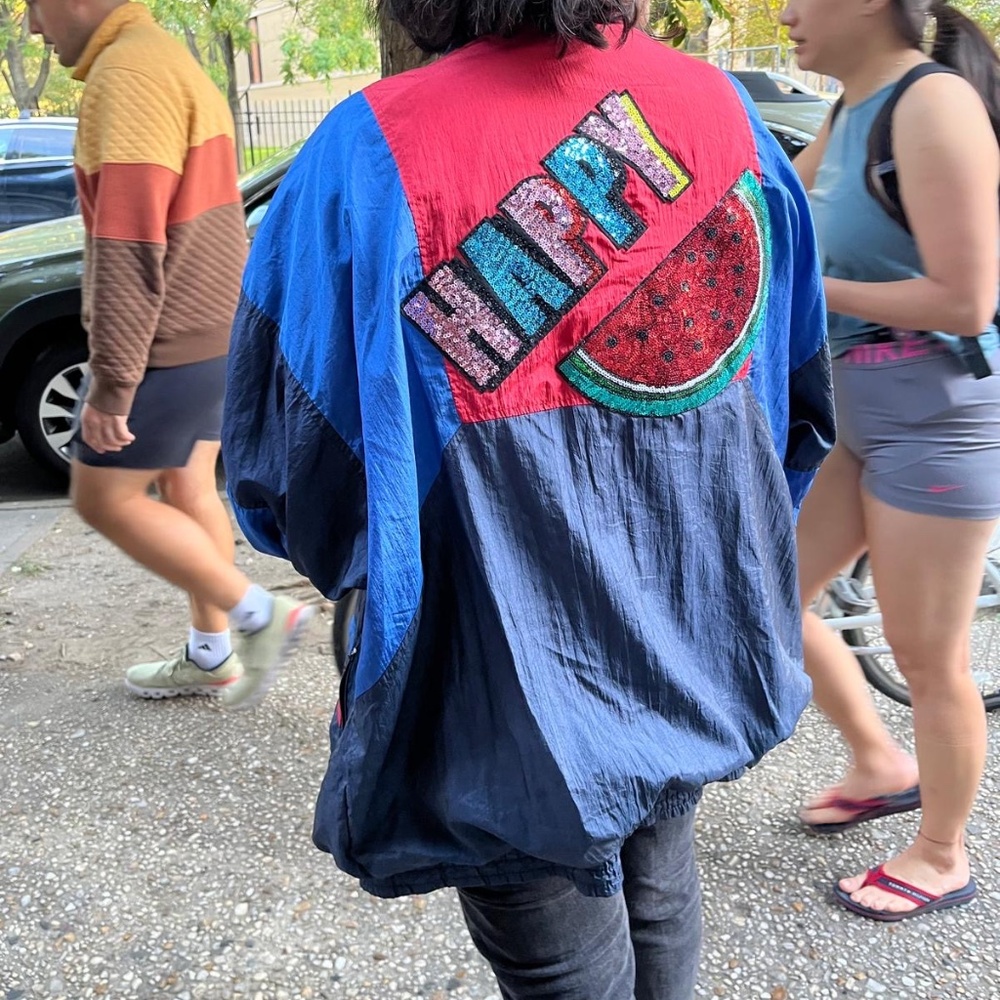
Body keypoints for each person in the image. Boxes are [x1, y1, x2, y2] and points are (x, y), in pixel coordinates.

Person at [223, 1, 833, 995]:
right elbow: (796, 400)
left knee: (560, 958)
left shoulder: (372, 149)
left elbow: (288, 461)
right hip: (695, 633)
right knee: (661, 877)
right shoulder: (722, 114)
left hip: (500, 680)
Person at [25, 0, 313, 708]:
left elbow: (127, 247)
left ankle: (260, 616)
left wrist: (112, 385)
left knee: (103, 497)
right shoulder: (166, 57)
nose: (31, 26)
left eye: (32, 4)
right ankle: (212, 654)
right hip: (216, 327)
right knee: (186, 488)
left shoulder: (127, 75)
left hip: (171, 335)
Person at [782, 0, 1000, 920]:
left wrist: (804, 286)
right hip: (862, 413)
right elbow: (764, 215)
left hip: (939, 421)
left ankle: (943, 854)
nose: (785, 13)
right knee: (769, 594)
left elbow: (966, 300)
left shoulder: (932, 102)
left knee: (928, 656)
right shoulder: (846, 114)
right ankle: (879, 762)